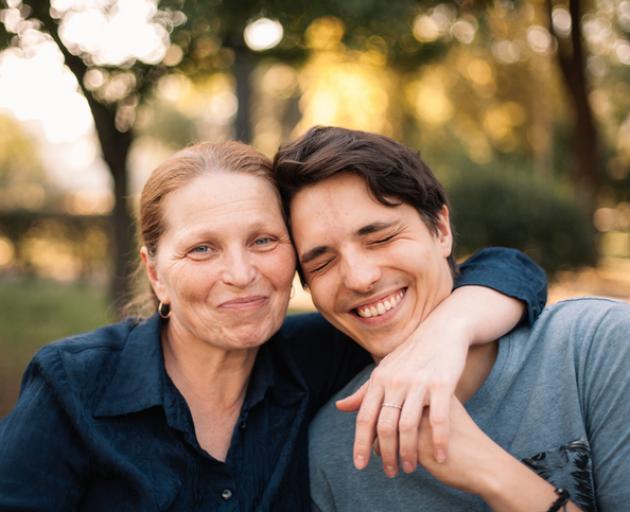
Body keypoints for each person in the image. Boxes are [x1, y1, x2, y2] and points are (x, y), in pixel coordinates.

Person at [0, 141, 546, 511]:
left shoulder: (320, 355)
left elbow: (503, 269)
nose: (241, 274)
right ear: (155, 273)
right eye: (202, 249)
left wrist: (445, 333)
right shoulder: (73, 384)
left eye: (263, 241)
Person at [273, 126, 630, 512]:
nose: (360, 278)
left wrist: (491, 472)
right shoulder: (331, 453)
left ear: (440, 230)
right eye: (322, 263)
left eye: (380, 239)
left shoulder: (597, 349)